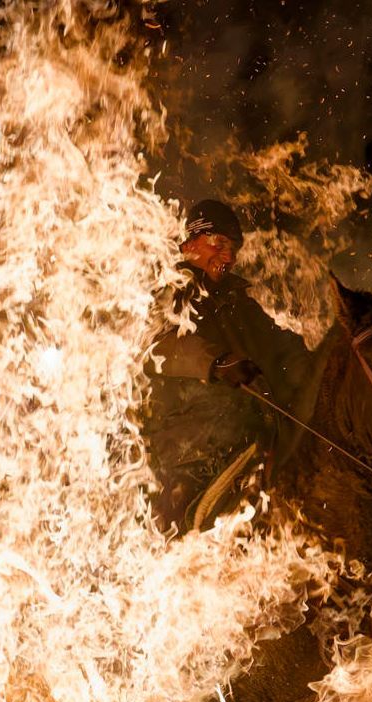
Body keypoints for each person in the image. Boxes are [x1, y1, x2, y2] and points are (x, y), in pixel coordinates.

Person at [141, 199, 308, 530]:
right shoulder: (168, 290)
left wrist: (324, 365)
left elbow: (281, 350)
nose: (229, 256)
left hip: (246, 427)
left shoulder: (236, 303)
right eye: (218, 243)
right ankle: (177, 511)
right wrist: (215, 362)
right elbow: (154, 347)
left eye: (233, 248)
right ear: (190, 244)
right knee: (235, 409)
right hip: (178, 433)